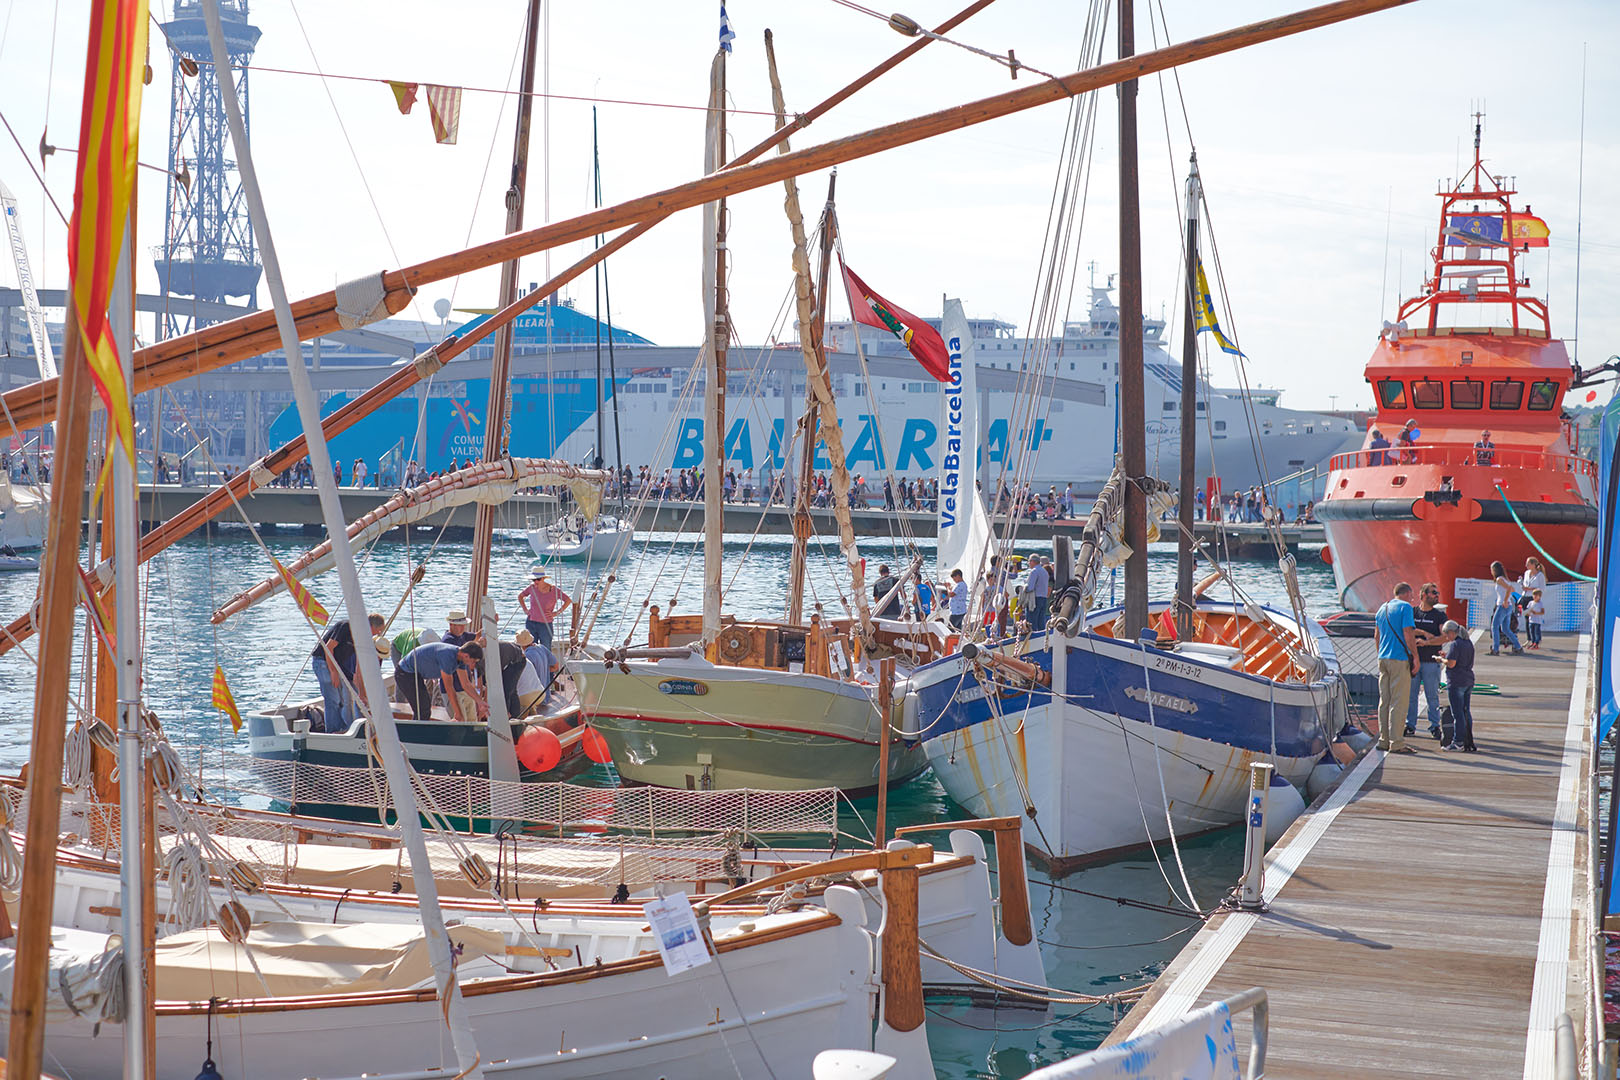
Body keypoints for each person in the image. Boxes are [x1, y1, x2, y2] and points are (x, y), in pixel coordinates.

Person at [311, 613, 386, 733]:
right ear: (371, 626)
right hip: (323, 662)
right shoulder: (346, 626)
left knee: (341, 700)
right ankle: (333, 731)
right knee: (333, 699)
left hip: (337, 665)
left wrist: (361, 694)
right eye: (378, 630)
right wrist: (333, 672)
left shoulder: (363, 639)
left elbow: (358, 668)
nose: (378, 634)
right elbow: (328, 647)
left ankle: (343, 728)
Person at [1374, 582, 1419, 754]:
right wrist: (1415, 656)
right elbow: (1408, 633)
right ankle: (1397, 742)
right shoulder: (1405, 607)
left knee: (1384, 701)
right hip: (1399, 659)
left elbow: (1376, 636)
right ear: (1407, 594)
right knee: (1399, 701)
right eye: (1412, 595)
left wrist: (1381, 654)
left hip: (1383, 659)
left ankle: (1383, 740)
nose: (1412, 598)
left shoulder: (1381, 609)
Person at [397, 641, 484, 723]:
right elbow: (449, 688)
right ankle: (415, 734)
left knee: (425, 707)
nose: (472, 664)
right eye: (473, 661)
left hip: (417, 675)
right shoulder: (448, 657)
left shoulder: (460, 658)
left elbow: (466, 684)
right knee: (423, 709)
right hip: (405, 673)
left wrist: (480, 702)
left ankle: (419, 732)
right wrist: (457, 713)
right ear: (466, 656)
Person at [1406, 583, 1447, 739]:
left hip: (1430, 662)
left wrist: (1427, 642)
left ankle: (1435, 726)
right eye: (1433, 593)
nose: (1436, 595)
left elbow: (1444, 637)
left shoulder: (1439, 616)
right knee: (1411, 695)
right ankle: (1410, 725)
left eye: (1437, 592)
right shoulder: (1412, 612)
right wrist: (1422, 633)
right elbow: (1407, 630)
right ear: (1423, 595)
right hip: (1413, 661)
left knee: (1432, 695)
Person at [1439, 621, 1477, 752]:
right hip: (1468, 680)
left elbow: (1451, 664)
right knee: (1466, 711)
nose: (1446, 638)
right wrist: (1447, 657)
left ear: (1451, 632)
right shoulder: (1468, 643)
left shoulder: (1455, 644)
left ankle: (1458, 742)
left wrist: (1441, 660)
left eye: (1446, 635)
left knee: (1458, 714)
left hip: (1456, 682)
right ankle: (1468, 739)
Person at [518, 567, 572, 649]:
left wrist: (557, 613)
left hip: (545, 625)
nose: (536, 582)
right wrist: (525, 610)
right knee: (530, 648)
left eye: (538, 579)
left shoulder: (554, 590)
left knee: (546, 648)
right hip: (531, 622)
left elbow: (568, 600)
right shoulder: (531, 588)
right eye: (533, 580)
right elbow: (520, 596)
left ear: (543, 578)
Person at [514, 627, 563, 712]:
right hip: (546, 697)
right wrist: (543, 669)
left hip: (535, 698)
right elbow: (555, 666)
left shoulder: (527, 656)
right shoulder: (542, 648)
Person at [1488, 560, 1524, 655]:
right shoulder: (1505, 579)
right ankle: (1517, 646)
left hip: (1502, 605)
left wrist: (1504, 600)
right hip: (1508, 606)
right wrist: (1507, 599)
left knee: (1494, 626)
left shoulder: (1499, 579)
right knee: (1505, 628)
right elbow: (1512, 589)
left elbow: (1509, 589)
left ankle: (1495, 649)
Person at [1026, 555, 1050, 631]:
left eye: (1029, 561)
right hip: (1043, 598)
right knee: (1041, 621)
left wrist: (1023, 588)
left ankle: (1032, 637)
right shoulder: (1045, 572)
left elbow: (1030, 587)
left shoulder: (1034, 571)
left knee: (1032, 622)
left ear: (1033, 561)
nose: (1028, 563)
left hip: (1035, 599)